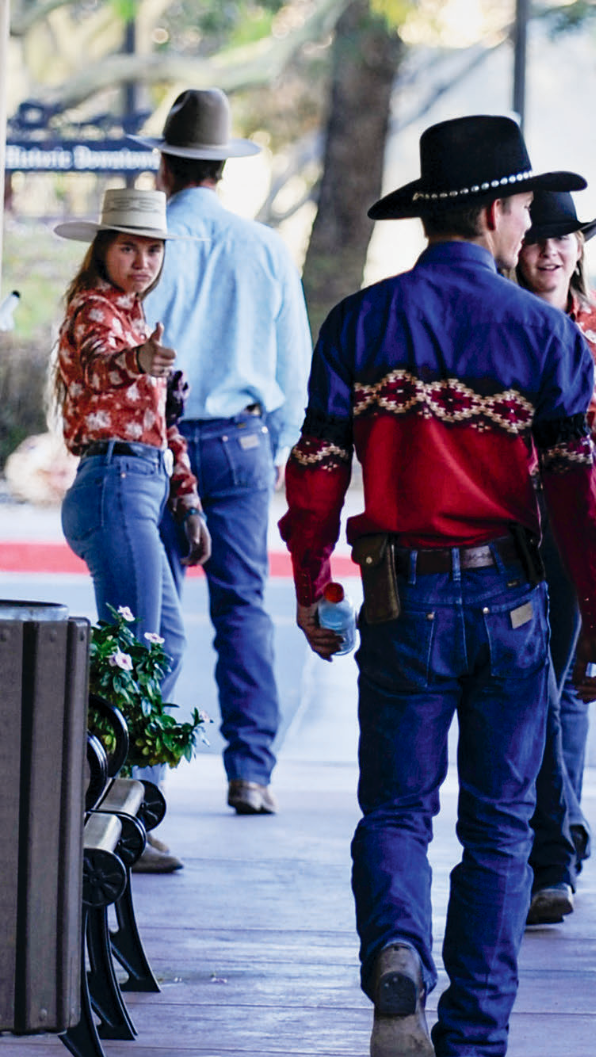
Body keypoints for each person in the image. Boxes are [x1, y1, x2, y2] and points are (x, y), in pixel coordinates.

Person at [279, 115, 596, 1057]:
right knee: (501, 830)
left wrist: (312, 581)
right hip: (511, 601)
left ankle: (396, 948)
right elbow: (576, 496)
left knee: (396, 809)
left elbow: (316, 466)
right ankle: (471, 1052)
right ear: (492, 210)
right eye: (524, 207)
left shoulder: (360, 322)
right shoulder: (547, 335)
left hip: (401, 598)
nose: (531, 225)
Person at [130, 88, 312, 816]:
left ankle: (143, 781)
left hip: (154, 440)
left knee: (152, 613)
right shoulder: (264, 248)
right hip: (240, 439)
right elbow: (294, 365)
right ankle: (251, 772)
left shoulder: (142, 247)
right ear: (222, 170)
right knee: (242, 608)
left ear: (164, 167)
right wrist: (279, 444)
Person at [55, 187, 212, 872]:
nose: (142, 261)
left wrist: (191, 501)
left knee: (159, 647)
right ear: (103, 250)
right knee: (135, 655)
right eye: (128, 248)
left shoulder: (140, 318)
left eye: (152, 250)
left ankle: (125, 806)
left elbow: (166, 425)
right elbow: (99, 364)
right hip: (114, 481)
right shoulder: (95, 310)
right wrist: (138, 362)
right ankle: (110, 818)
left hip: (144, 482)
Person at [512, 190, 596, 924]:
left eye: (563, 238)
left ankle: (555, 854)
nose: (549, 251)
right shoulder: (501, 318)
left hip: (579, 524)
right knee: (543, 686)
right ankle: (558, 849)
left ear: (581, 247)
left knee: (559, 690)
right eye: (536, 238)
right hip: (510, 520)